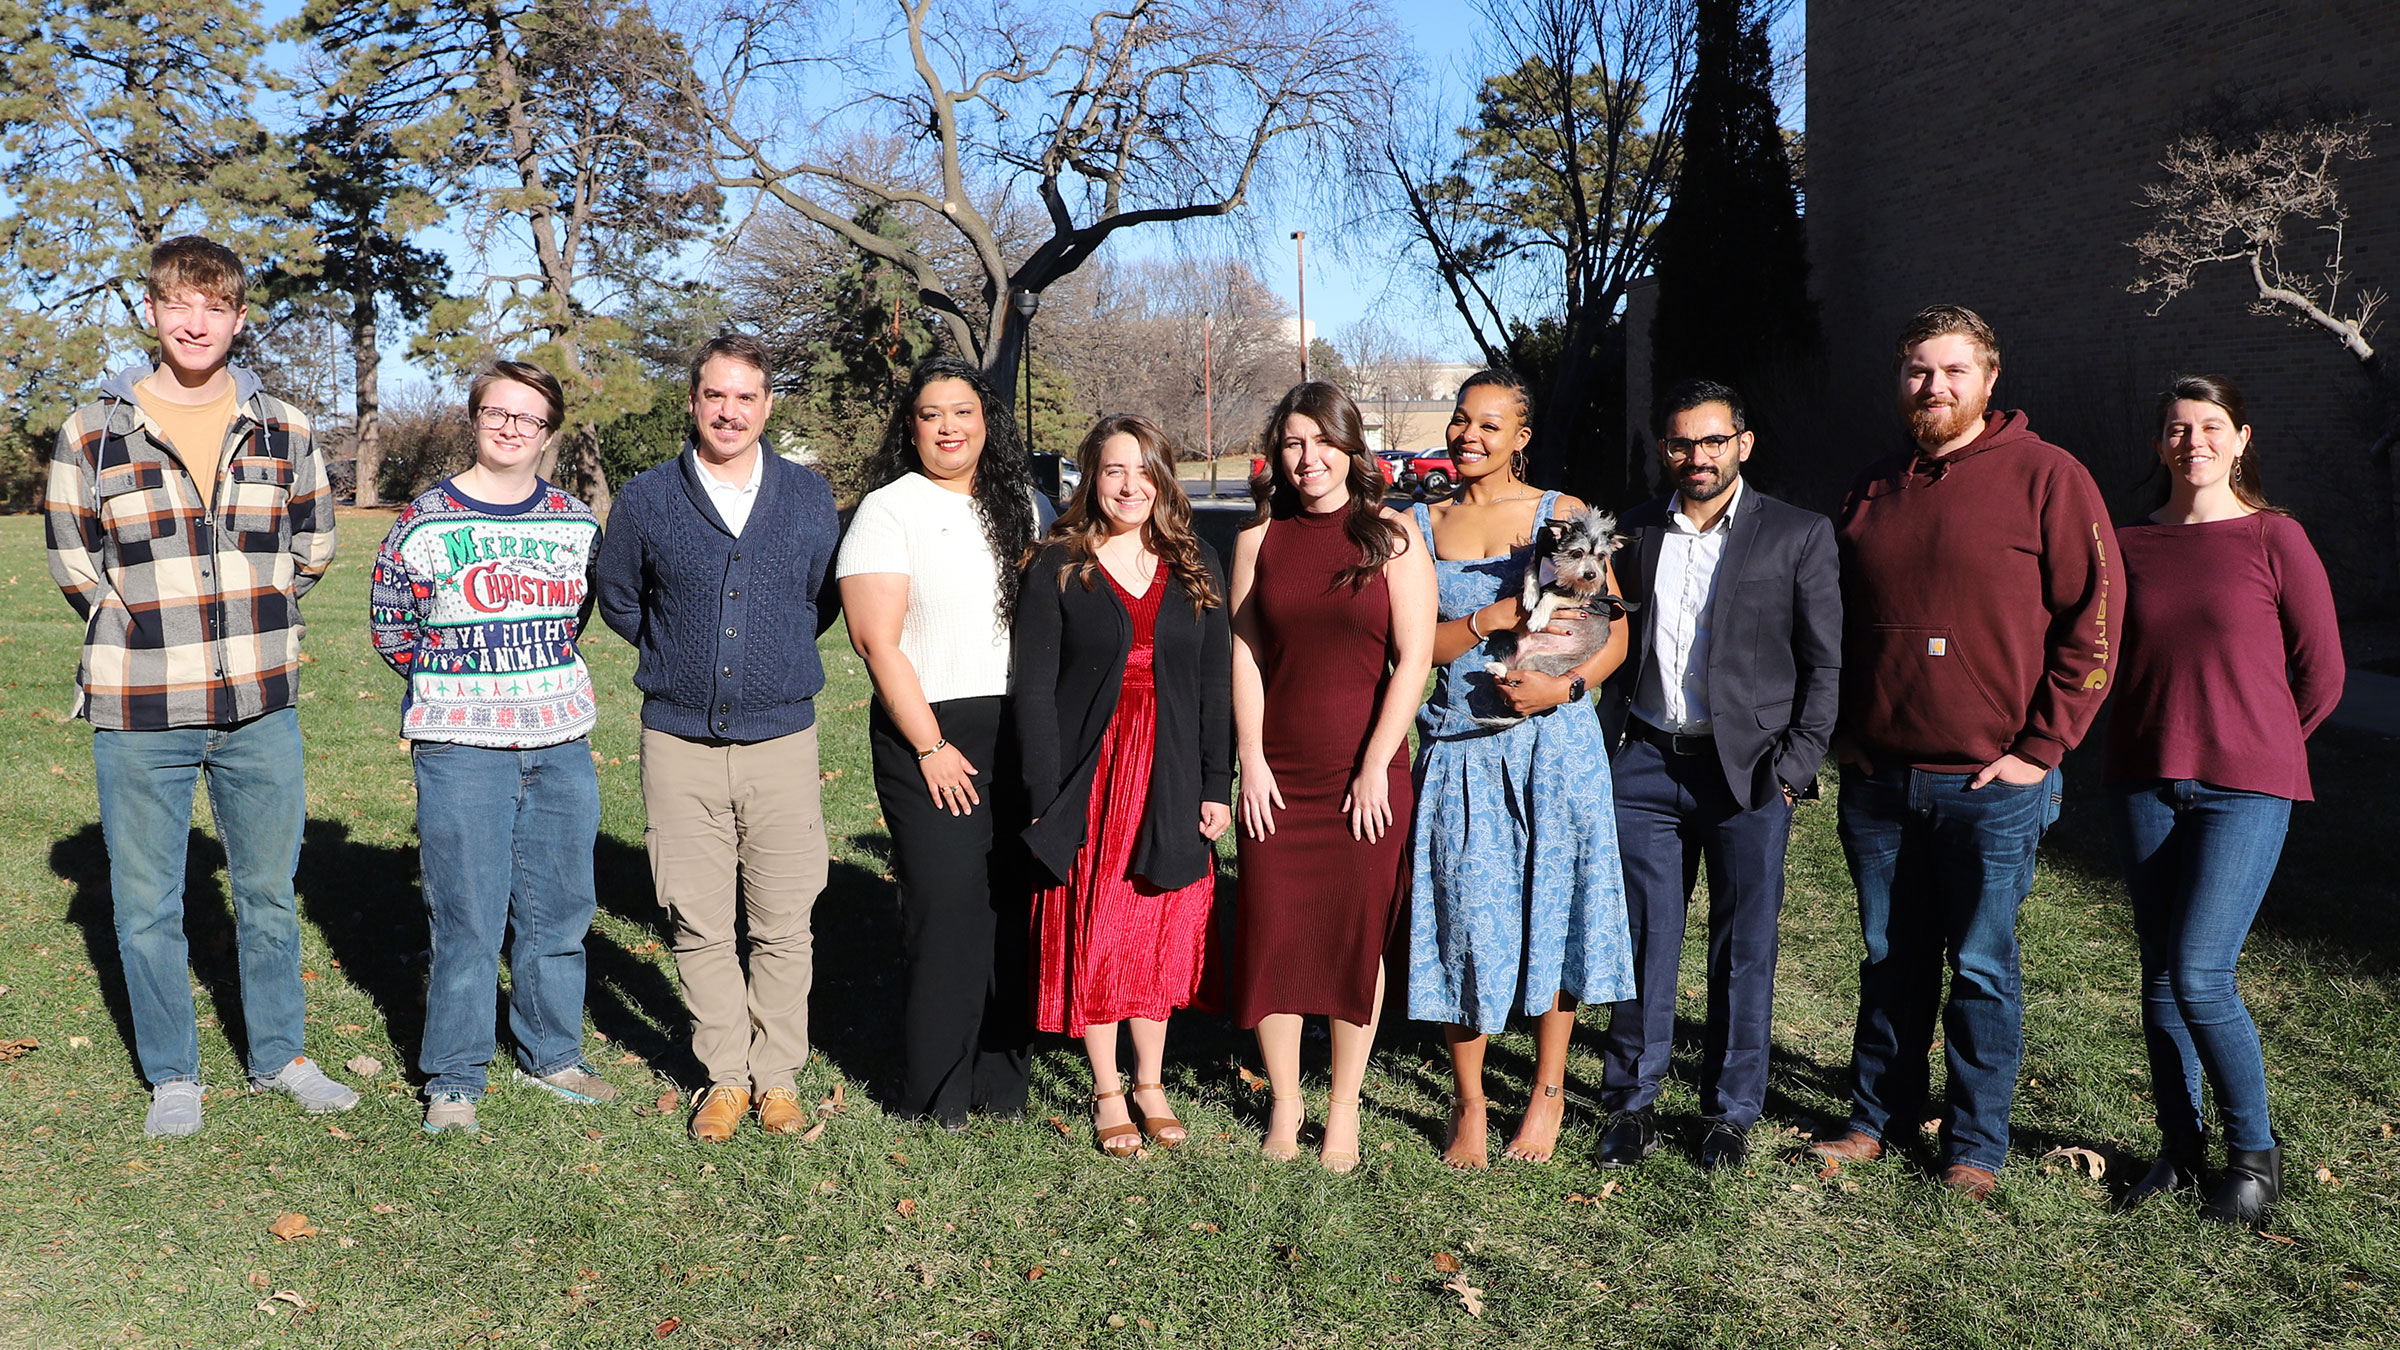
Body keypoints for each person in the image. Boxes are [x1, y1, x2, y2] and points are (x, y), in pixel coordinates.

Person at [43, 235, 357, 1136]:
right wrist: (144, 626)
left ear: (238, 319)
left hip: (260, 705)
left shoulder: (285, 427)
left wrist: (251, 618)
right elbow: (74, 558)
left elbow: (315, 546)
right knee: (146, 905)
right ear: (152, 311)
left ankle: (279, 1057)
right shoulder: (93, 429)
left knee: (266, 891)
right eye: (181, 303)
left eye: (216, 307)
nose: (196, 321)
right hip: (141, 707)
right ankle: (175, 1075)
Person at [1814, 305, 2117, 1200]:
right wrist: (1841, 731)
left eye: (1952, 371)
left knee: (1981, 968)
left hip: (1992, 783)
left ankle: (1975, 1145)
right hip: (1880, 779)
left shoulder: (2049, 478)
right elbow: (1827, 623)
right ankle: (1878, 1116)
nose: (1933, 387)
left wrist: (2042, 745)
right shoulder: (1871, 488)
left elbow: (2094, 620)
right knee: (1888, 958)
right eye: (1917, 371)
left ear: (1989, 379)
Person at [2106, 375, 2342, 1226]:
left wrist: (2261, 742)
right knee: (2162, 978)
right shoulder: (2127, 541)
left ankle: (2254, 1157)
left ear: (2242, 438)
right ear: (2159, 443)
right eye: (2177, 427)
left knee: (2203, 973)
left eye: (2211, 426)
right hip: (2143, 778)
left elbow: (2322, 674)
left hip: (2245, 789)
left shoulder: (2277, 539)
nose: (2193, 441)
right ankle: (2179, 1148)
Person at [594, 335, 842, 1142]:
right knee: (697, 919)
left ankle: (778, 1080)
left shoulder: (808, 498)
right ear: (693, 402)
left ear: (767, 406)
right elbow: (622, 598)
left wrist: (767, 661)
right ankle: (725, 1077)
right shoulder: (647, 499)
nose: (729, 411)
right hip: (678, 741)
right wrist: (679, 656)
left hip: (781, 741)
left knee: (783, 918)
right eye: (714, 396)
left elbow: (820, 601)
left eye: (745, 397)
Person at [1594, 378, 1841, 1171]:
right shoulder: (1631, 534)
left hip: (1748, 775)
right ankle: (1630, 1103)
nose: (1694, 457)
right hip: (1645, 767)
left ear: (1743, 443)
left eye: (1710, 441)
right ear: (1662, 448)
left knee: (1744, 948)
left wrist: (1796, 765)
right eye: (1678, 443)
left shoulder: (1796, 534)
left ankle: (1729, 1113)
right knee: (1643, 941)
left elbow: (1825, 663)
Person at [370, 359, 611, 1133]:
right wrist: (462, 681)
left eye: (529, 418)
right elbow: (392, 625)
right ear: (475, 418)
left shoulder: (577, 524)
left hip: (559, 741)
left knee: (561, 908)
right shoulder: (423, 521)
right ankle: (455, 1076)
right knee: (467, 914)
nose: (512, 428)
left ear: (549, 431)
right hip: (460, 745)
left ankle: (552, 1053)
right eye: (498, 413)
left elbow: (574, 620)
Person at [1405, 369, 1634, 1168]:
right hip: (1460, 748)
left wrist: (1560, 686)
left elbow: (1610, 636)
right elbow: (1410, 651)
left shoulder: (1564, 516)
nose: (1468, 436)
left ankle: (1546, 1091)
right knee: (1461, 919)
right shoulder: (1418, 525)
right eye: (1461, 421)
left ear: (1521, 436)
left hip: (1555, 747)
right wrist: (1484, 620)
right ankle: (1470, 1102)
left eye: (1489, 425)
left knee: (1553, 911)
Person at [1229, 381, 1436, 1173]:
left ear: (1353, 448)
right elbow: (1246, 654)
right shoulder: (1259, 541)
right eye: (1291, 443)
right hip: (1278, 773)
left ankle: (1343, 1107)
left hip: (1366, 771)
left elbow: (1413, 659)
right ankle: (1287, 1101)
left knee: (1356, 940)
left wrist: (1377, 765)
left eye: (1322, 441)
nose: (1308, 459)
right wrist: (1249, 755)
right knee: (1274, 932)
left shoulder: (1393, 537)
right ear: (1277, 455)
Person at [1015, 414, 1232, 1157]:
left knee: (1155, 923)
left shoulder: (1196, 561)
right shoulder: (1059, 564)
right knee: (1100, 923)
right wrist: (1047, 795)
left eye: (1144, 470)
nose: (1130, 485)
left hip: (1168, 771)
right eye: (1114, 470)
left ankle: (1152, 1083)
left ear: (1163, 478)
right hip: (1090, 776)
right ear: (1090, 478)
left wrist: (1215, 781)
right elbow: (1034, 690)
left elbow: (1212, 683)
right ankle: (1108, 1089)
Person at [840, 356, 1044, 1130]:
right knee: (948, 906)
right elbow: (876, 642)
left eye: (963, 412)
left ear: (988, 422)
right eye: (932, 415)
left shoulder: (1024, 505)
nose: (949, 428)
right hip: (931, 730)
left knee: (1010, 906)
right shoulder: (889, 511)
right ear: (911, 427)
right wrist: (929, 746)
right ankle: (934, 1093)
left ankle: (1001, 1084)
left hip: (1017, 727)